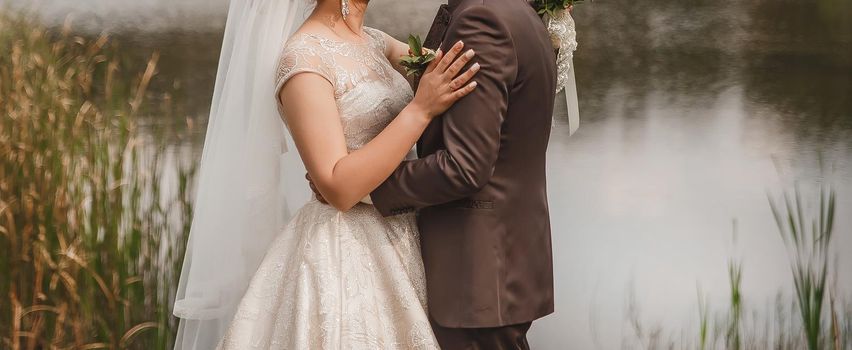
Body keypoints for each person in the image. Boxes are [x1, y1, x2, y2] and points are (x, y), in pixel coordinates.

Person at [173, 0, 478, 348]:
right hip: (347, 253)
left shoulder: (376, 42)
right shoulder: (302, 60)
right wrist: (421, 109)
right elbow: (337, 186)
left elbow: (460, 71)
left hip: (407, 232)